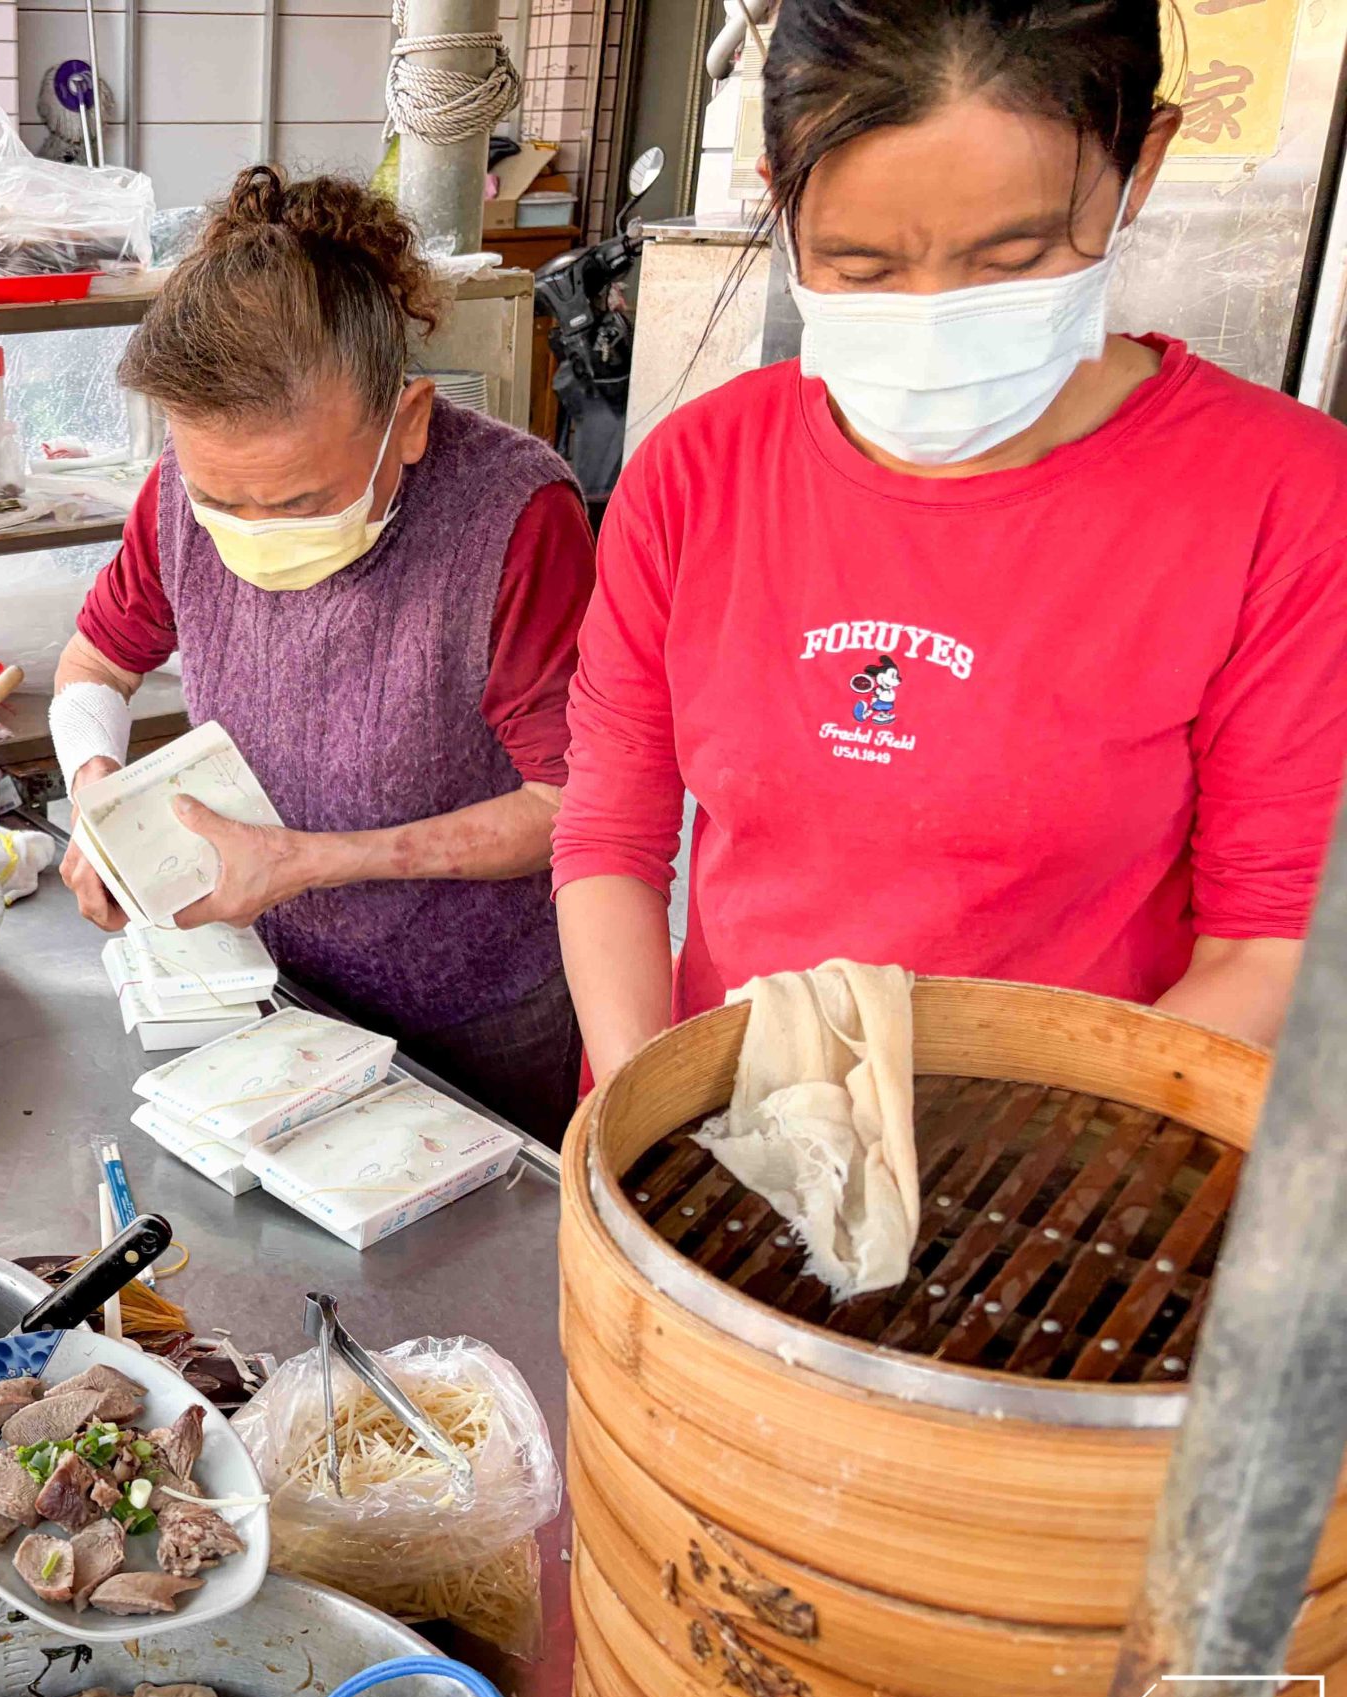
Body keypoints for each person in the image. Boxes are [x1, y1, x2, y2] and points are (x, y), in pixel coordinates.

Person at [552, 0, 1347, 1084]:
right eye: (862, 267)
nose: (933, 318)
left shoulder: (1288, 502)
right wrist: (649, 1105)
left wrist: (976, 1155)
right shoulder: (698, 472)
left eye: (1013, 258)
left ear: (1141, 168)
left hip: (1073, 1139)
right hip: (727, 1113)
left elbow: (1270, 943)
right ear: (782, 204)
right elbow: (610, 835)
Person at [52, 166, 598, 1144]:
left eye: (300, 501)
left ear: (410, 420)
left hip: (475, 1014)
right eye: (223, 500)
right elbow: (96, 662)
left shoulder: (515, 517)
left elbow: (571, 807)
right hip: (271, 988)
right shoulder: (176, 490)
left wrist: (311, 862)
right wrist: (97, 797)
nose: (254, 529)